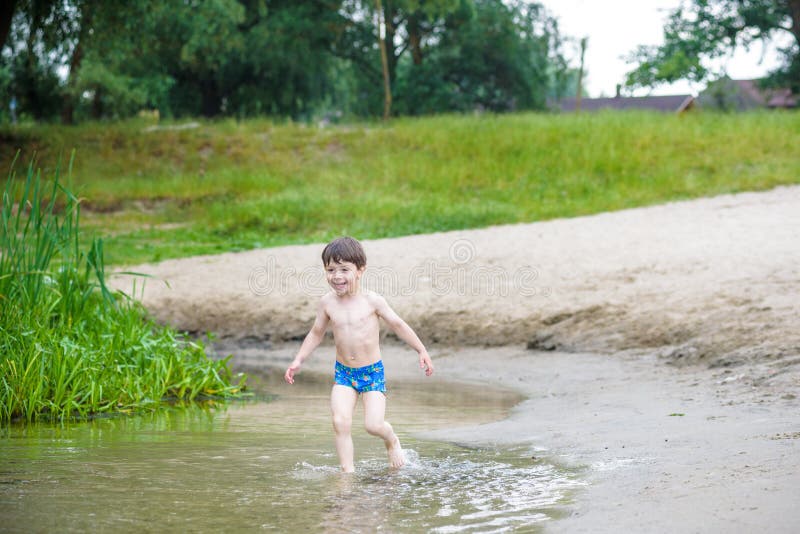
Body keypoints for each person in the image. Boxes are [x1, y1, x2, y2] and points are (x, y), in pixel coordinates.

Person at [284, 236, 434, 472]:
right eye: (331, 269)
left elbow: (398, 324)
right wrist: (298, 359)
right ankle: (347, 474)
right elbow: (316, 333)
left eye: (344, 269)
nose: (337, 276)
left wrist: (421, 350)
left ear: (360, 270)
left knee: (373, 426)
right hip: (343, 374)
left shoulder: (372, 301)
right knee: (340, 421)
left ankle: (391, 440)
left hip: (372, 373)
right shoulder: (327, 303)